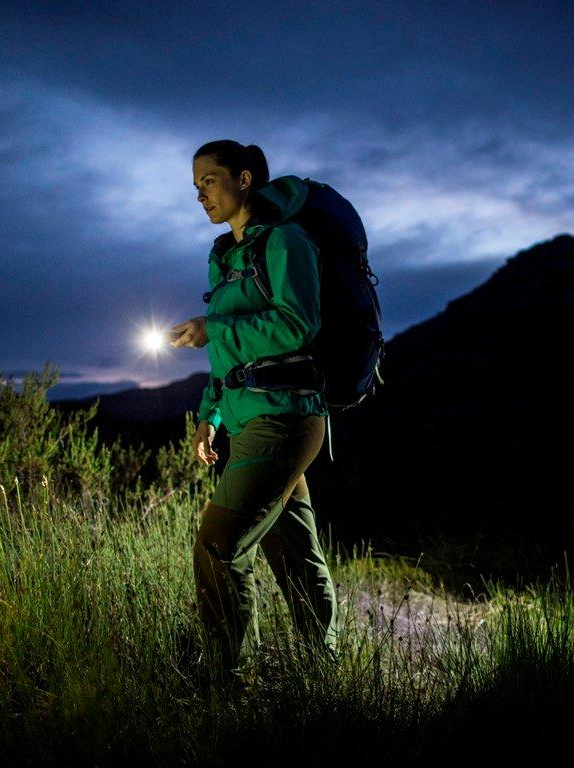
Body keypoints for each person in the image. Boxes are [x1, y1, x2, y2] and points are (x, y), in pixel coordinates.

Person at [170, 140, 338, 673]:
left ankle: (230, 686)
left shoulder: (287, 241)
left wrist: (213, 327)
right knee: (294, 554)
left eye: (209, 181)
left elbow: (297, 324)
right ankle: (322, 672)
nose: (200, 195)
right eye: (195, 186)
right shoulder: (226, 257)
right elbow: (227, 355)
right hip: (248, 421)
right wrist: (208, 416)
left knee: (219, 546)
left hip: (286, 416)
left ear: (244, 180)